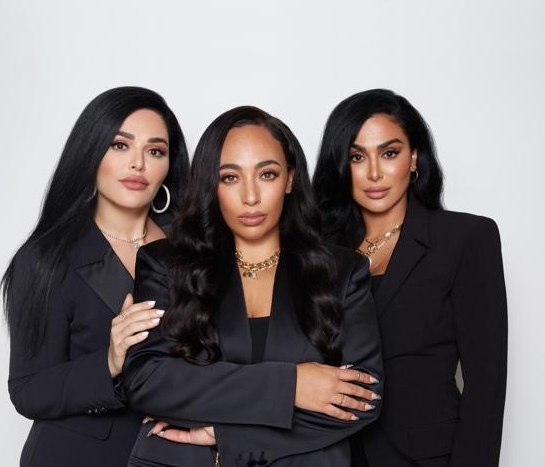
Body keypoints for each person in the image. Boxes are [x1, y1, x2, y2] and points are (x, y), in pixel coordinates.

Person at [121, 106, 383, 467]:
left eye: (267, 174)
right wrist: (291, 386)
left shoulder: (342, 270)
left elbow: (362, 398)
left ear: (289, 179)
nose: (250, 196)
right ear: (211, 184)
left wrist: (228, 435)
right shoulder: (166, 263)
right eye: (230, 177)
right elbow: (148, 380)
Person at [311, 89, 507, 467]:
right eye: (357, 157)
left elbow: (486, 386)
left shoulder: (465, 239)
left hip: (426, 458)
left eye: (389, 153)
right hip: (334, 456)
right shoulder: (319, 252)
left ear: (414, 157)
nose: (374, 173)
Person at [1, 86, 189, 466]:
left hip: (177, 454)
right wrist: (109, 361)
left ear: (169, 165)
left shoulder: (194, 248)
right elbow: (27, 390)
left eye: (155, 151)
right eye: (120, 145)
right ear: (91, 152)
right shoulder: (46, 259)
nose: (138, 164)